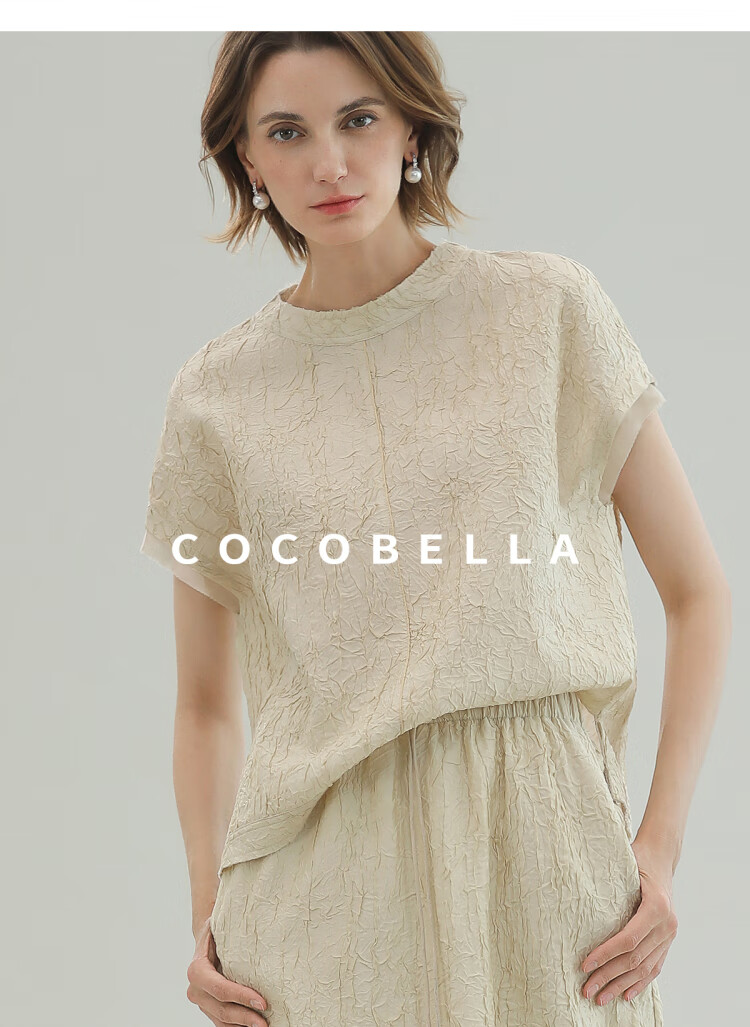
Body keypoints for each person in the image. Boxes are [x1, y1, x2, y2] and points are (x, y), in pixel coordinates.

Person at [139, 31, 731, 1027]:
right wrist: (207, 914)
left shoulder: (544, 311)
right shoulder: (218, 398)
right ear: (249, 160)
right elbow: (203, 703)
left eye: (358, 119)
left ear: (412, 129)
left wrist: (661, 847)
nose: (330, 163)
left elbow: (699, 591)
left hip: (545, 862)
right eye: (287, 132)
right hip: (322, 898)